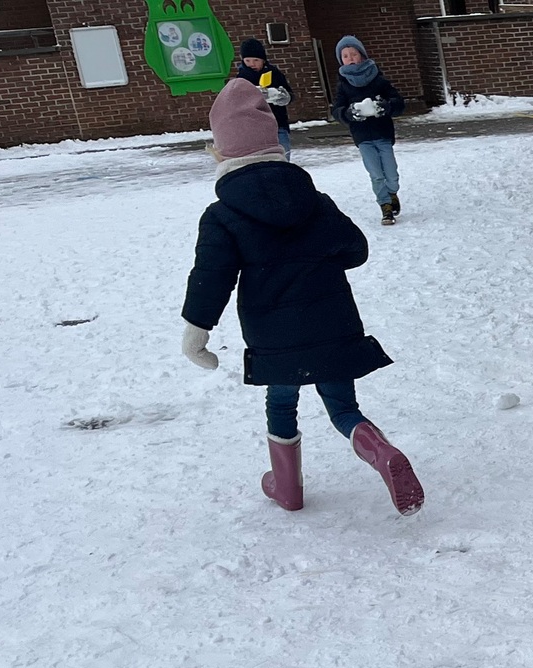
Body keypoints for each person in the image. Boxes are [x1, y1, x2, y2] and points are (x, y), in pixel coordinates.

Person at [179, 79, 425, 517]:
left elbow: (211, 277)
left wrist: (196, 332)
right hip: (332, 323)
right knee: (343, 408)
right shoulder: (314, 201)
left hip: (274, 335)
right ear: (273, 143)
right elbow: (355, 250)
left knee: (281, 403)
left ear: (222, 152)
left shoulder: (222, 215)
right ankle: (380, 451)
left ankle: (287, 488)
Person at [331, 35, 406, 225]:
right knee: (376, 174)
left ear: (362, 55)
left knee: (391, 174)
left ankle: (392, 192)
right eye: (345, 56)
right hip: (362, 137)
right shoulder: (343, 85)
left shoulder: (378, 80)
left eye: (353, 54)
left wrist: (385, 106)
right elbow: (337, 110)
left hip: (383, 134)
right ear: (341, 61)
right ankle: (385, 206)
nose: (350, 58)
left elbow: (399, 103)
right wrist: (349, 113)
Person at [234, 37, 294, 158]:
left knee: (282, 156)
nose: (252, 64)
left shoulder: (274, 73)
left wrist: (283, 96)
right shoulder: (241, 79)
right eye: (248, 60)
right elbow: (236, 102)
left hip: (277, 124)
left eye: (256, 60)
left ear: (263, 60)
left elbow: (290, 94)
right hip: (253, 128)